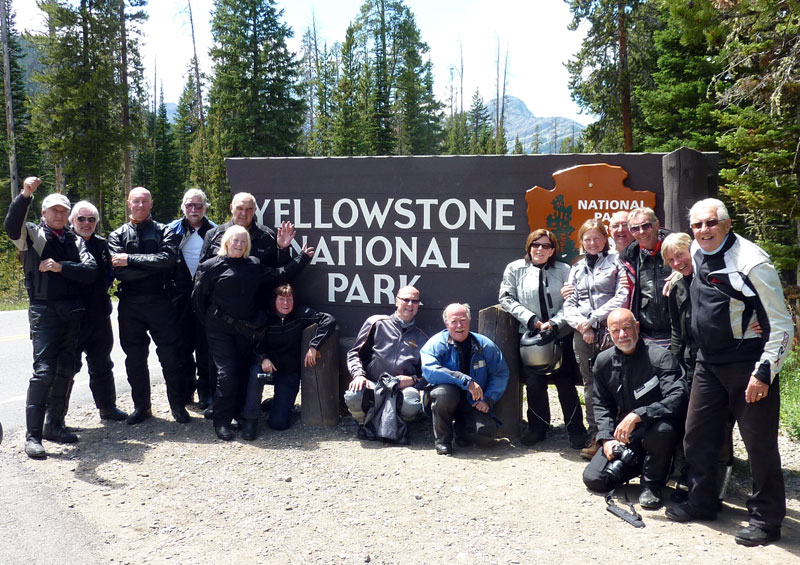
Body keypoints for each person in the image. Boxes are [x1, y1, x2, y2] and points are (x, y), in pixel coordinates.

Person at [666, 199, 793, 547]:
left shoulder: (752, 263)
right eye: (697, 225)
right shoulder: (695, 249)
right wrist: (677, 275)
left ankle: (766, 521)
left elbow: (782, 325)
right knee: (697, 436)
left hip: (748, 365)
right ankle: (703, 502)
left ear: (726, 223)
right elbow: (700, 272)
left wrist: (764, 373)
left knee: (759, 446)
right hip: (708, 363)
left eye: (710, 223)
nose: (704, 230)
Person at [3, 177, 97, 458]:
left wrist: (60, 267)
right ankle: (32, 436)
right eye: (53, 210)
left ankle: (54, 424)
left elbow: (90, 270)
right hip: (43, 310)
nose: (59, 214)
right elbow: (11, 227)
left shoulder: (75, 240)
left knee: (67, 368)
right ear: (43, 213)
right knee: (44, 371)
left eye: (63, 210)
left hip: (72, 310)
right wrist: (25, 195)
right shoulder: (32, 235)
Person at [192, 226, 312, 441]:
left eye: (243, 241)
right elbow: (198, 298)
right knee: (226, 374)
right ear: (227, 242)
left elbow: (279, 275)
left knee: (241, 373)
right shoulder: (210, 266)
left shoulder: (254, 265)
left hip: (245, 330)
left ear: (247, 245)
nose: (238, 244)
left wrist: (301, 258)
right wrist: (209, 323)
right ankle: (222, 421)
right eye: (235, 240)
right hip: (219, 331)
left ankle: (239, 414)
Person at [582, 309, 688, 509]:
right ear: (609, 333)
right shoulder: (603, 362)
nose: (622, 335)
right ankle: (640, 463)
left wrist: (639, 415)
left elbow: (678, 398)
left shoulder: (660, 357)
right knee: (595, 479)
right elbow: (601, 403)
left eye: (627, 328)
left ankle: (651, 484)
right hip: (624, 435)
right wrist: (606, 439)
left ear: (637, 327)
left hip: (654, 428)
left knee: (664, 430)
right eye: (616, 331)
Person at [499, 229, 587, 448]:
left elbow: (572, 299)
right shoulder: (515, 269)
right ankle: (538, 427)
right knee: (534, 383)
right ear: (529, 247)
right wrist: (530, 319)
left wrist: (556, 322)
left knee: (565, 383)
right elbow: (506, 297)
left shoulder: (565, 270)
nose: (540, 249)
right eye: (536, 244)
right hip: (530, 335)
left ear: (553, 250)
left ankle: (576, 429)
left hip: (560, 333)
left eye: (545, 246)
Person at [108, 187, 189, 426]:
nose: (141, 206)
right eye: (136, 201)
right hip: (130, 304)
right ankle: (141, 407)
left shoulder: (165, 231)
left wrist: (131, 259)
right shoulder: (117, 235)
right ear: (128, 204)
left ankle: (177, 405)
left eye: (145, 201)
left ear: (151, 203)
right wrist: (150, 267)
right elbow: (119, 272)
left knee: (171, 356)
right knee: (134, 358)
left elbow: (167, 261)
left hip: (161, 301)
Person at [564, 219, 630, 459]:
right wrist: (582, 324)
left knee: (615, 382)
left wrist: (593, 320)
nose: (592, 243)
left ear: (605, 239)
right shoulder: (577, 268)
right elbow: (569, 302)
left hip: (612, 331)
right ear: (581, 242)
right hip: (583, 334)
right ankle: (596, 435)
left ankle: (618, 434)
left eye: (596, 238)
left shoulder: (617, 262)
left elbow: (621, 296)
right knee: (590, 385)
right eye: (587, 239)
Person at [240, 285, 335, 438]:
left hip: (289, 371)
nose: (286, 303)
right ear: (274, 301)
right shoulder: (265, 317)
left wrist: (314, 345)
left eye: (289, 299)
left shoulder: (299, 313)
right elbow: (251, 344)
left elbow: (328, 320)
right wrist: (262, 358)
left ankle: (275, 403)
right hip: (268, 365)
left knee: (279, 424)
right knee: (255, 373)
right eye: (282, 299)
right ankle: (250, 420)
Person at [420, 303, 509, 455]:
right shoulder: (436, 344)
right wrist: (464, 380)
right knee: (444, 394)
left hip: (473, 401)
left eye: (463, 320)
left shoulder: (484, 345)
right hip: (447, 396)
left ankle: (462, 432)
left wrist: (488, 399)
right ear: (446, 323)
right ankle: (443, 441)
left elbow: (499, 373)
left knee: (485, 435)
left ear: (469, 321)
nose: (459, 325)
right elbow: (429, 371)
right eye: (454, 321)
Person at [69, 201, 127, 422]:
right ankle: (55, 418)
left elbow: (110, 273)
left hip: (99, 314)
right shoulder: (64, 243)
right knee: (67, 368)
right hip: (72, 316)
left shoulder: (102, 244)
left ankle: (107, 408)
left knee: (102, 364)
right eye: (81, 219)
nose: (86, 223)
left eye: (91, 219)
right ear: (72, 221)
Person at [344, 286, 429, 436]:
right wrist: (358, 375)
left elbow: (428, 375)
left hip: (400, 388)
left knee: (411, 402)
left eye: (414, 301)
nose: (410, 304)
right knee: (353, 395)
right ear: (397, 301)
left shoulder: (422, 338)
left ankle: (399, 426)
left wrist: (412, 380)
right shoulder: (376, 323)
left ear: (418, 305)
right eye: (406, 300)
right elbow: (354, 353)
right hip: (374, 382)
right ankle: (364, 424)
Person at [168, 189, 216, 408]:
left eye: (198, 205)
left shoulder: (215, 231)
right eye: (189, 205)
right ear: (182, 207)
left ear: (205, 207)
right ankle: (187, 391)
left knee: (205, 347)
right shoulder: (171, 230)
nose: (194, 209)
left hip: (206, 296)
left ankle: (205, 392)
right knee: (182, 346)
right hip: (179, 296)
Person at [618, 207, 673, 345]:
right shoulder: (629, 258)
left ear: (657, 224)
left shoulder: (677, 249)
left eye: (646, 226)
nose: (641, 232)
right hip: (646, 336)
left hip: (677, 333)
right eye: (635, 228)